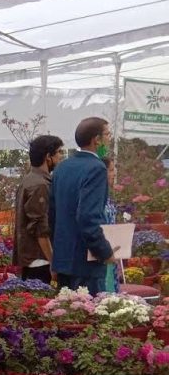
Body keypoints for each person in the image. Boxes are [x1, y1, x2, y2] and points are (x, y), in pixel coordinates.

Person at [49, 116, 116, 294]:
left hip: (64, 261)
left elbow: (52, 216)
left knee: (67, 316)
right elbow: (88, 217)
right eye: (108, 135)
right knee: (88, 317)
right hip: (86, 264)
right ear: (96, 140)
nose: (110, 140)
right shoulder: (96, 168)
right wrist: (104, 251)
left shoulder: (62, 167)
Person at [13, 134, 63, 283]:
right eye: (59, 152)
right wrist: (53, 261)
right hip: (40, 260)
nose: (61, 157)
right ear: (48, 156)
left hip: (34, 258)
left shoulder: (29, 179)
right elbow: (40, 228)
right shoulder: (40, 184)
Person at [103, 157, 122, 293]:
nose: (114, 173)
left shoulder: (107, 195)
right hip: (101, 251)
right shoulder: (96, 196)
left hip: (113, 250)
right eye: (110, 170)